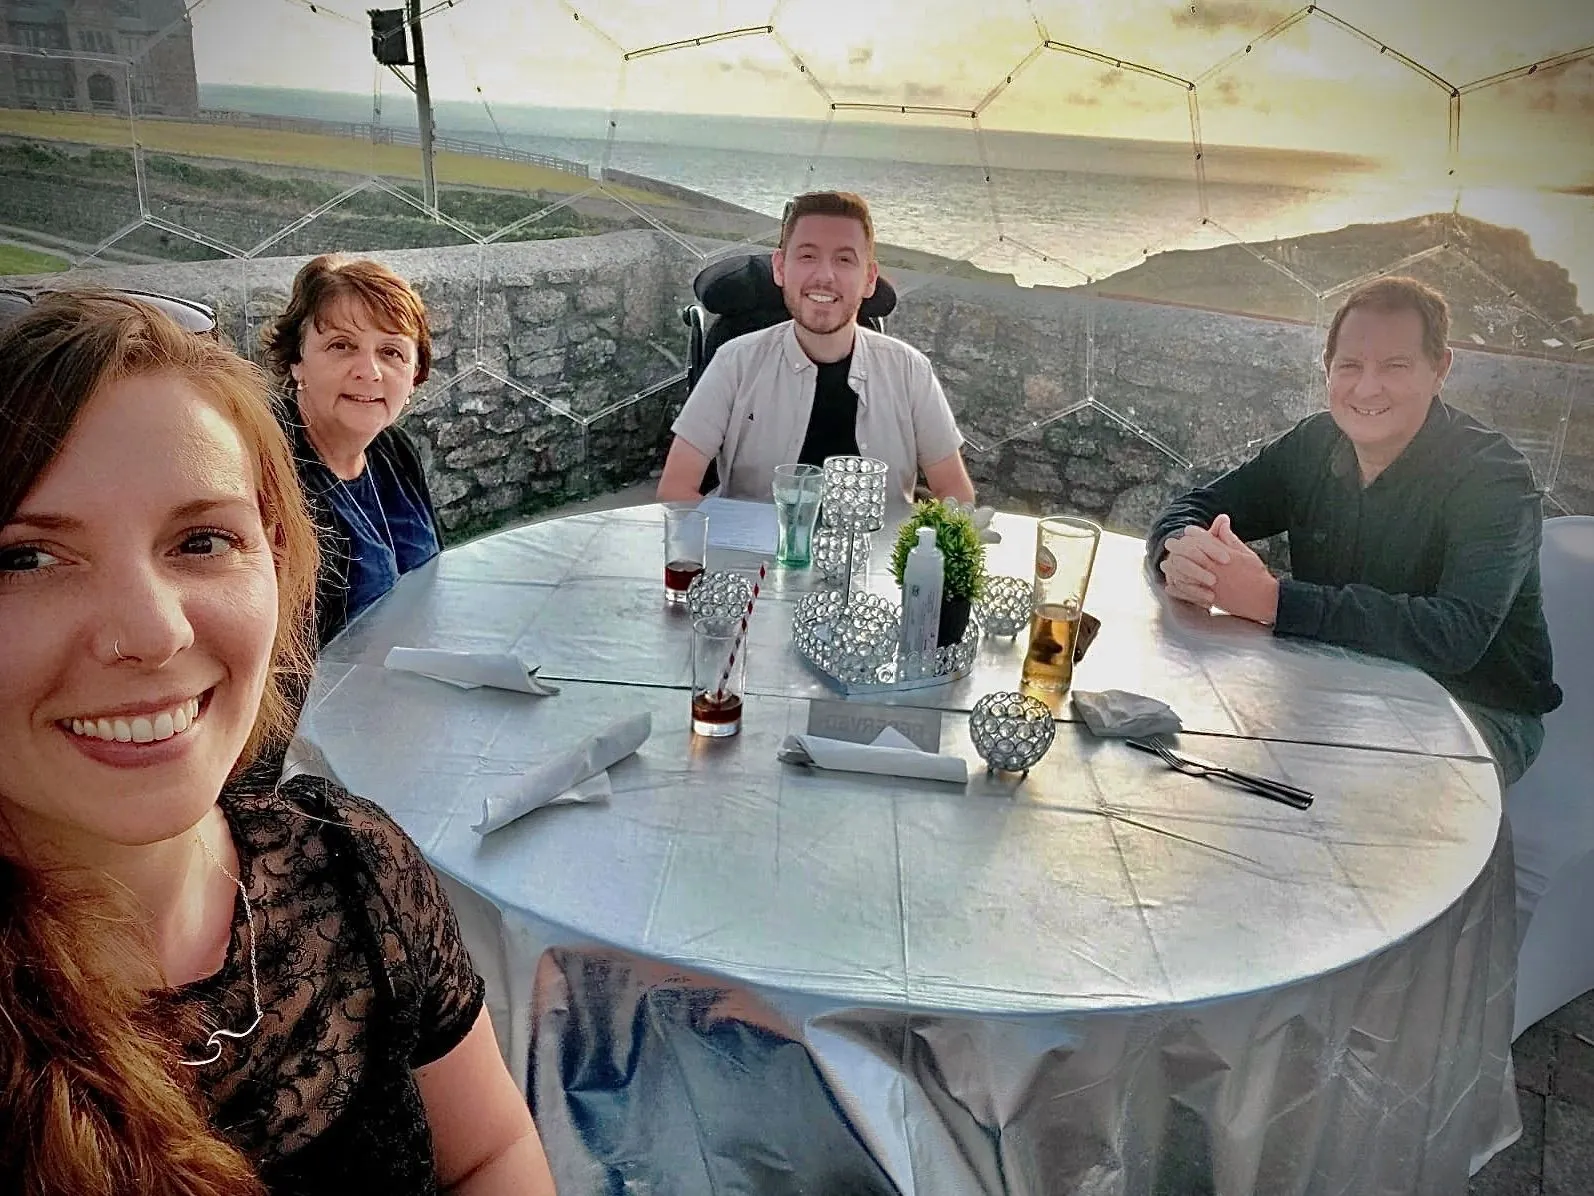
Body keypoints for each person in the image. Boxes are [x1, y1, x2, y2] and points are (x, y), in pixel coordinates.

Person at [0, 293, 555, 1194]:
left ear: (280, 565)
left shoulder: (357, 868)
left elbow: (491, 1155)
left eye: (202, 540)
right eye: (25, 557)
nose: (152, 632)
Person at [1148, 276, 1561, 785]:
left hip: (1477, 709)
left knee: (1352, 794)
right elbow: (1195, 507)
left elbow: (1455, 635)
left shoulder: (1493, 479)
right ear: (1328, 371)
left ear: (1440, 370)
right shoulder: (1315, 445)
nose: (1367, 387)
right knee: (1190, 744)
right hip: (1339, 676)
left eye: (1395, 366)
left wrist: (1271, 600)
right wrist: (1180, 553)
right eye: (1350, 366)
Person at [657, 190, 976, 506]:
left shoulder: (910, 371)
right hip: (753, 556)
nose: (825, 276)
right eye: (808, 256)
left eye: (844, 259)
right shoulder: (735, 363)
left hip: (877, 555)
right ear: (780, 268)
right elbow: (675, 490)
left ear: (869, 279)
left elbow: (956, 494)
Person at [262, 254, 444, 646]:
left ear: (415, 375)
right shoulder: (271, 470)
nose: (369, 371)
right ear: (297, 361)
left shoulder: (393, 450)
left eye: (391, 352)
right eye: (342, 345)